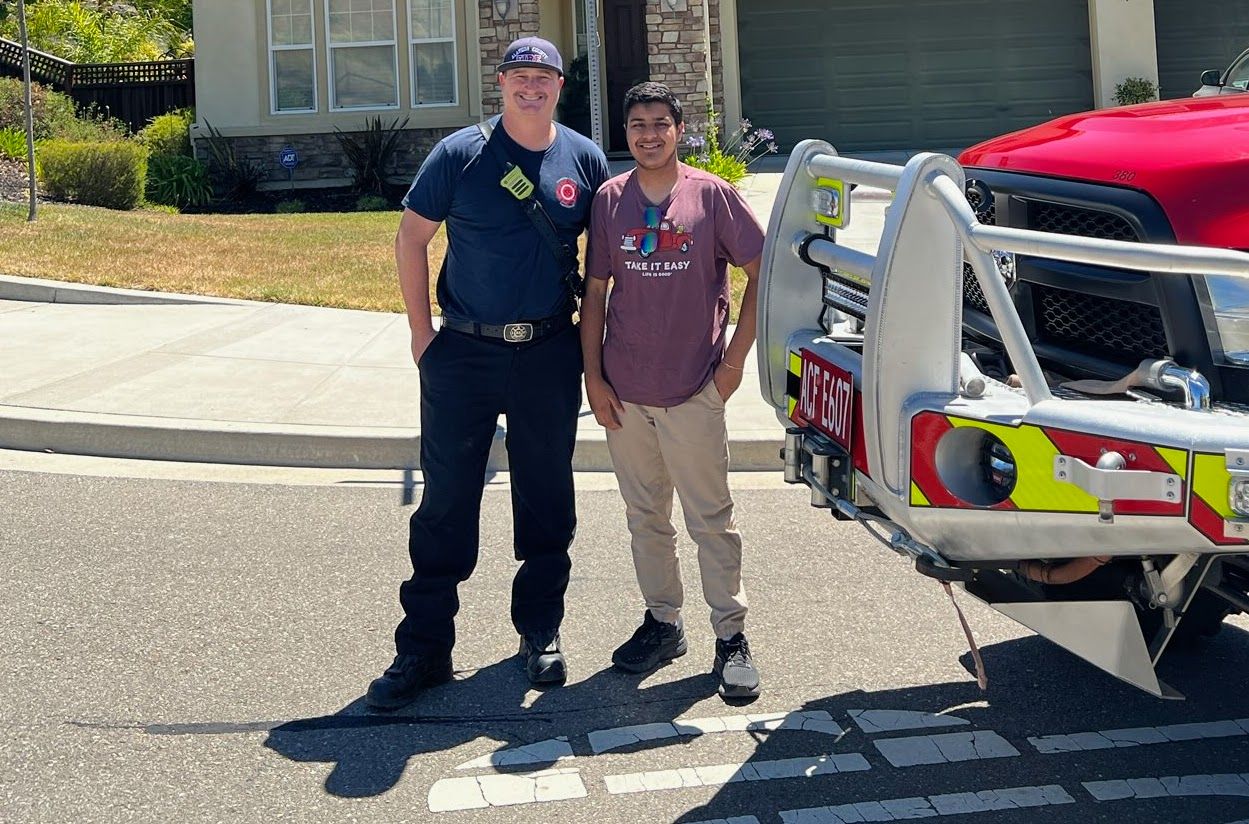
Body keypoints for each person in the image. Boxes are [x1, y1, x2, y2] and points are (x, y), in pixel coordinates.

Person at [366, 37, 609, 710]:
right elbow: (411, 237)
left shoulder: (582, 158)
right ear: (500, 82)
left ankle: (539, 631)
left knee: (545, 498)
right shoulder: (459, 154)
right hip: (464, 353)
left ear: (560, 85)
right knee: (445, 503)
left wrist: (593, 359)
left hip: (547, 352)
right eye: (520, 76)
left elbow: (603, 266)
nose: (531, 87)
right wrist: (421, 335)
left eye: (544, 77)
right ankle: (423, 650)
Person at [581, 82, 765, 700]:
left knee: (711, 519)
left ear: (678, 130)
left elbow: (763, 273)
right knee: (645, 518)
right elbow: (596, 295)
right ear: (625, 132)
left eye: (660, 123)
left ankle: (732, 636)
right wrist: (595, 378)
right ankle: (663, 622)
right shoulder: (610, 200)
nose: (648, 134)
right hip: (626, 394)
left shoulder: (712, 197)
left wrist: (733, 365)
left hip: (693, 390)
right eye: (637, 124)